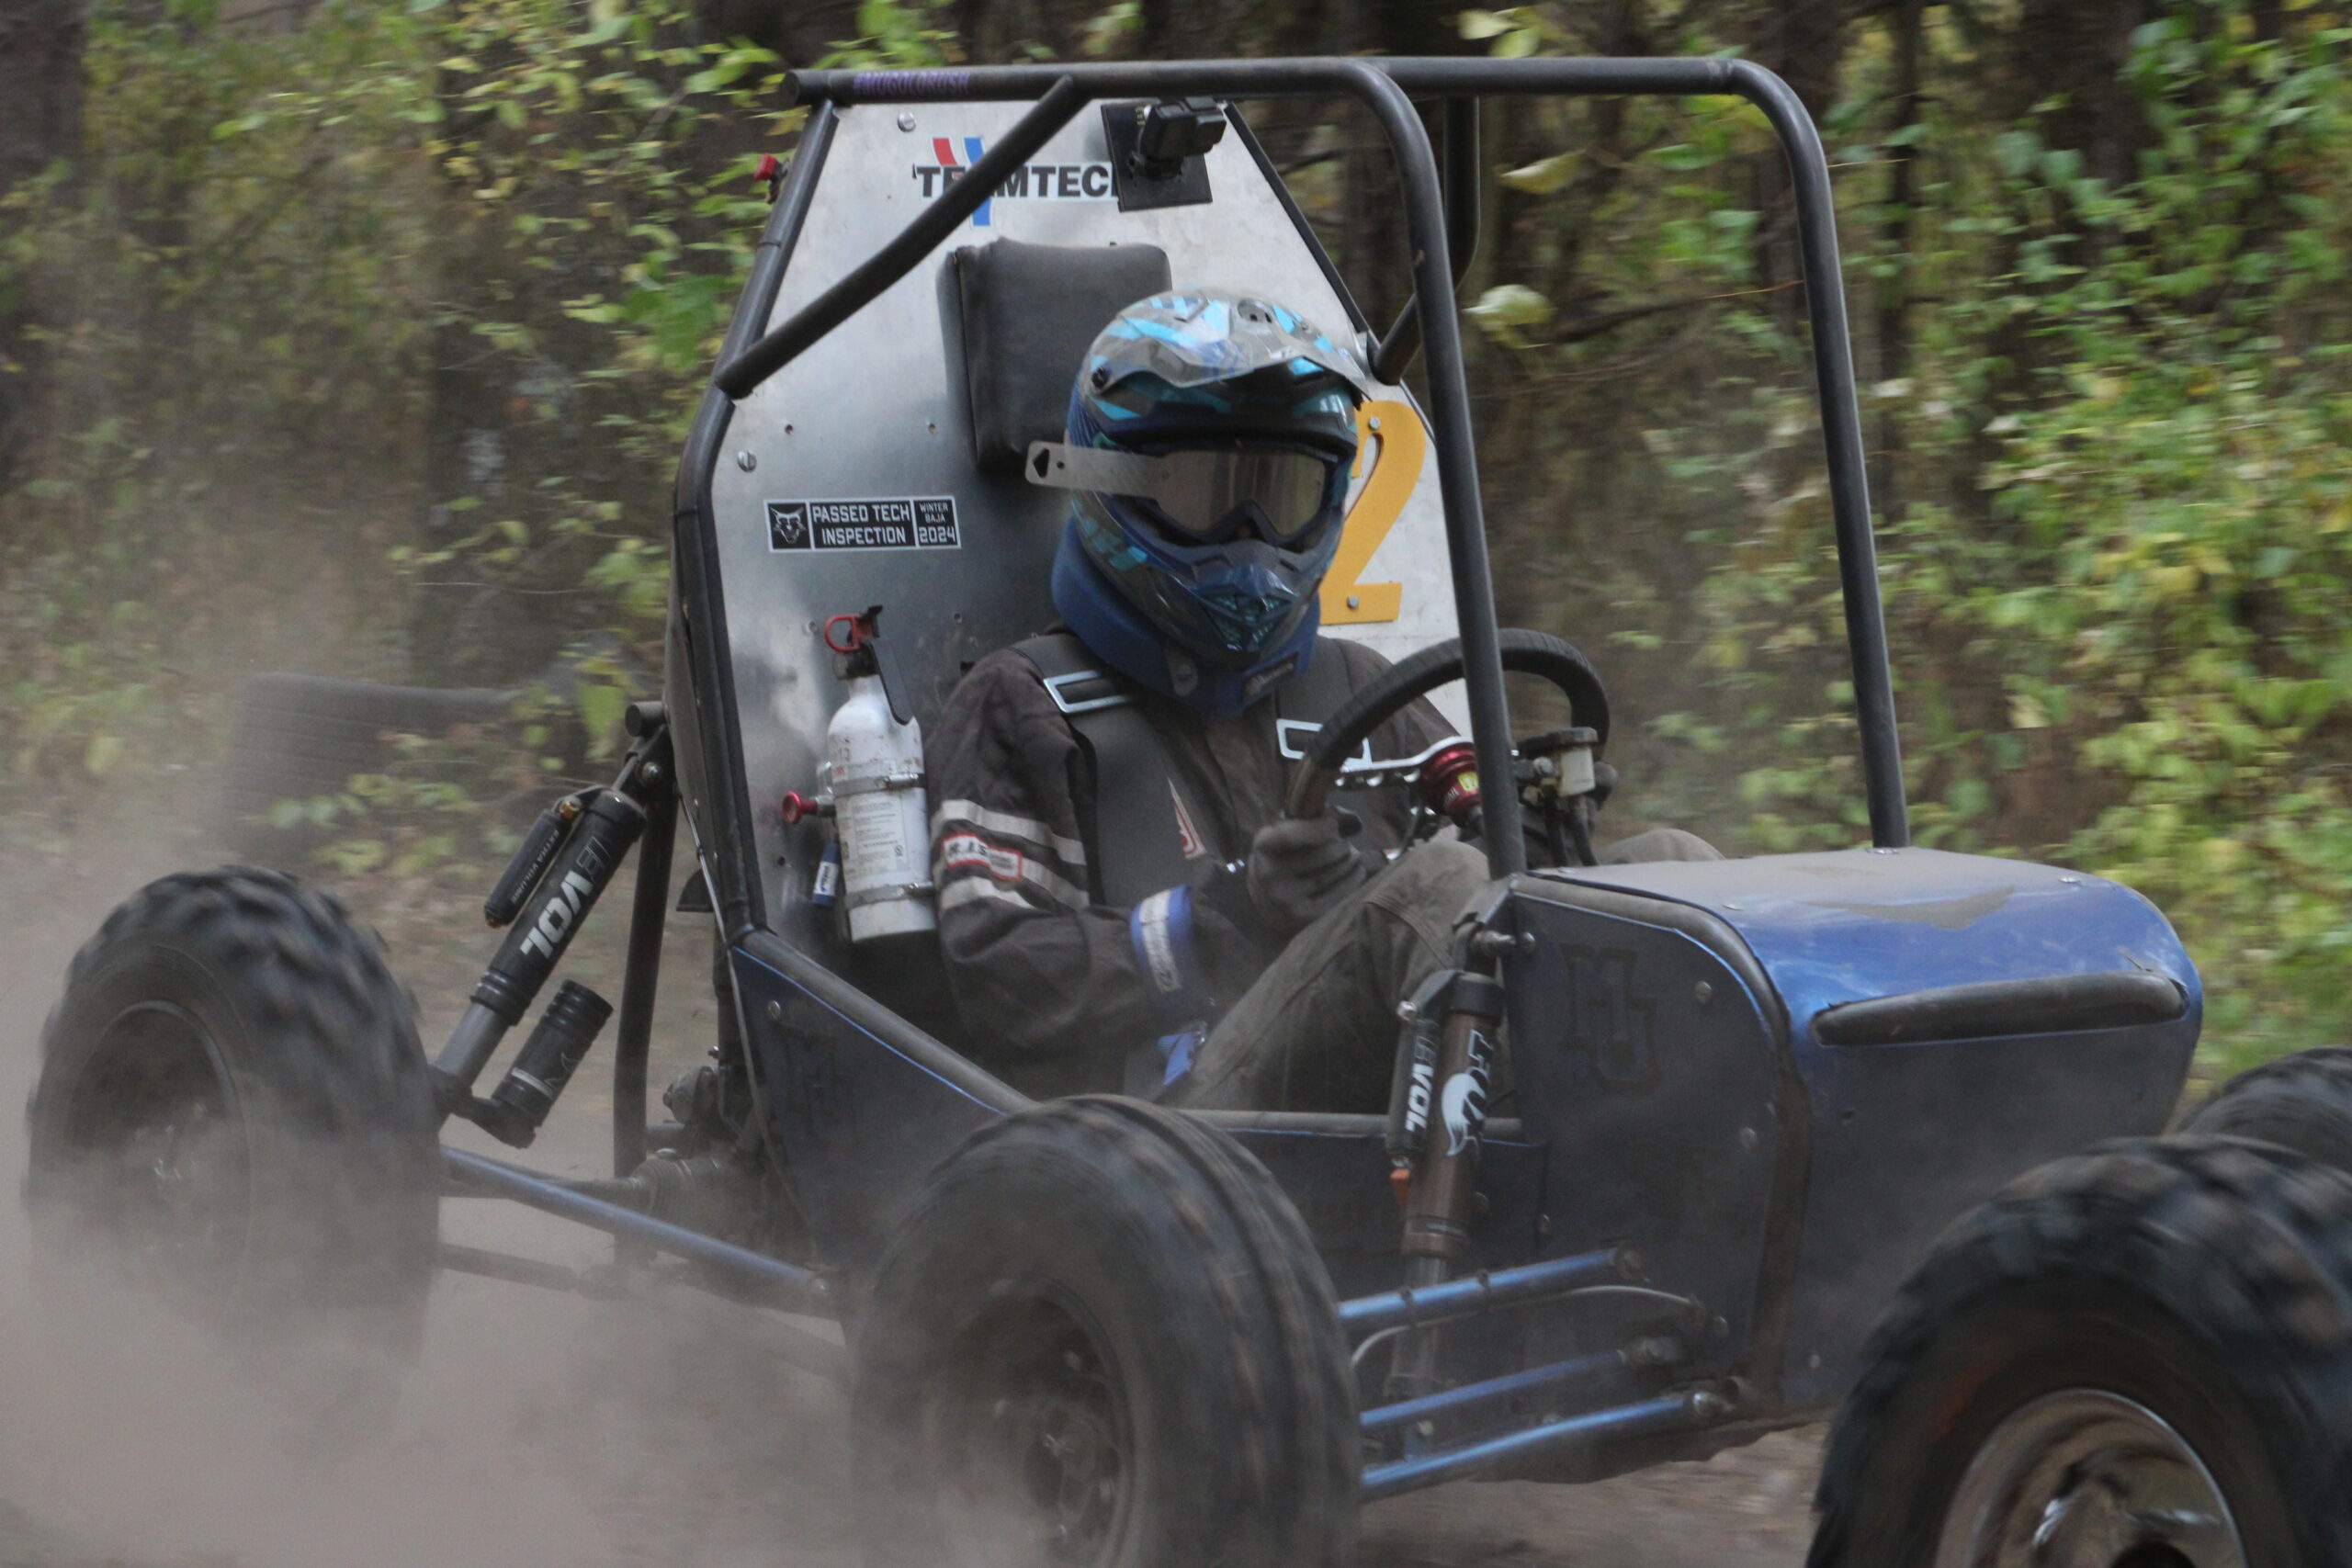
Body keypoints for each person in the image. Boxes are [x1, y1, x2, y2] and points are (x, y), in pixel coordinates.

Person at [924, 288, 1714, 1110]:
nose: (1250, 533)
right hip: (1165, 1141)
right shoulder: (1023, 703)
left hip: (1372, 1094)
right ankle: (1571, 1172)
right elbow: (997, 980)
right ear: (1110, 485)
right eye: (1208, 492)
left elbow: (1493, 890)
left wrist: (1541, 841)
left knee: (1673, 872)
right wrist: (1222, 922)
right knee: (1431, 884)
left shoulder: (1358, 684)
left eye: (1283, 494)